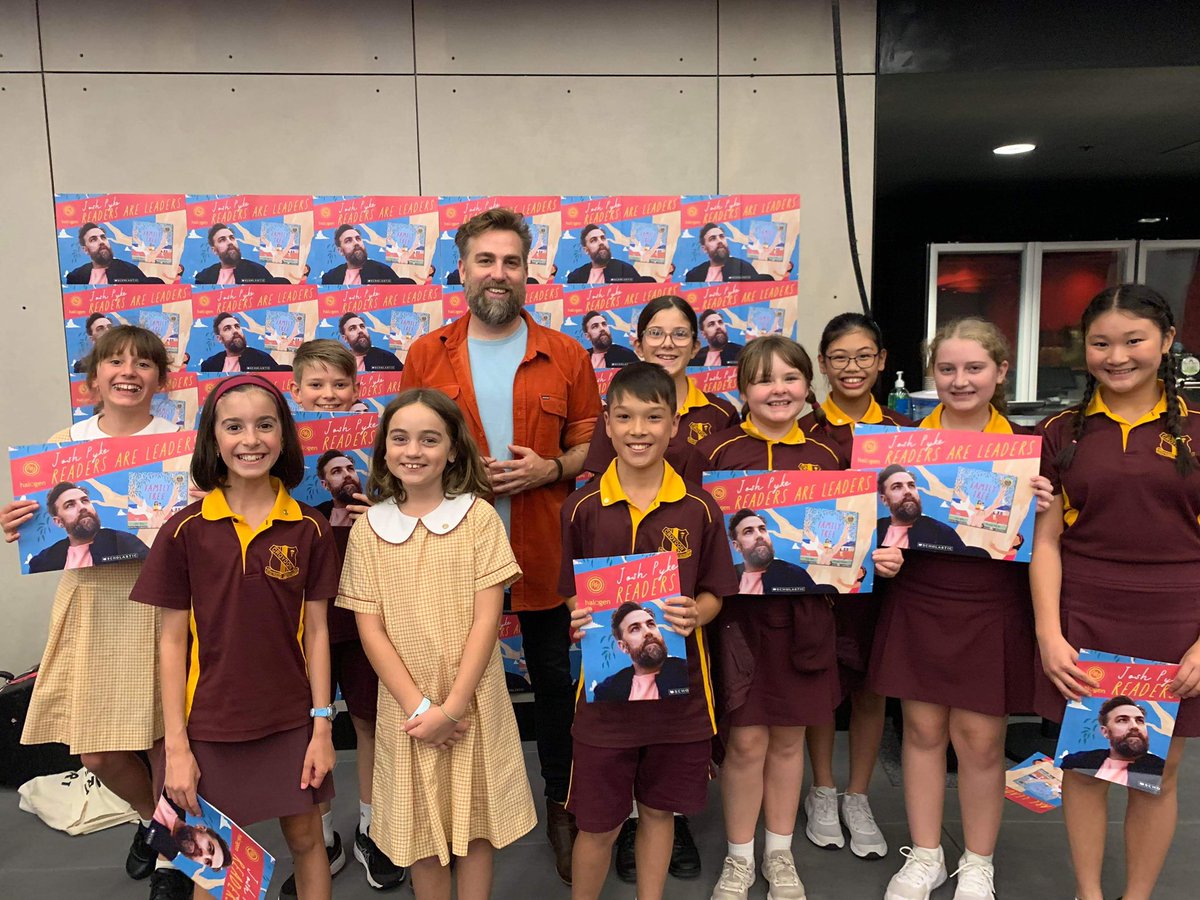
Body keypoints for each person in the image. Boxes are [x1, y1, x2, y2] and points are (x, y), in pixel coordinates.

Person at [400, 207, 601, 884]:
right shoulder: (428, 354)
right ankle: (451, 813)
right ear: (461, 270)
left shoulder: (566, 354)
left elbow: (589, 447)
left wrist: (550, 469)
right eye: (485, 260)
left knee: (551, 685)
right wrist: (456, 470)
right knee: (455, 680)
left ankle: (562, 805)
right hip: (452, 556)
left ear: (527, 271)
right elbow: (409, 448)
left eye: (511, 261)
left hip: (544, 548)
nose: (498, 273)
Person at [131, 373, 339, 900]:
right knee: (214, 867)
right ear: (213, 440)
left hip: (292, 721)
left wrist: (321, 726)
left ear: (284, 436)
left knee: (308, 841)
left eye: (265, 425)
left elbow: (317, 633)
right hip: (208, 727)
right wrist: (176, 746)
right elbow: (172, 645)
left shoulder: (309, 528)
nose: (251, 440)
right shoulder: (184, 530)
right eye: (234, 427)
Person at [3, 325, 191, 899]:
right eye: (114, 361)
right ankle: (148, 820)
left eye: (142, 362)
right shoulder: (65, 445)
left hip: (166, 601)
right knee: (98, 748)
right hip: (93, 604)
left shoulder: (182, 442)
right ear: (93, 379)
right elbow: (43, 534)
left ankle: (170, 860)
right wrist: (18, 525)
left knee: (166, 738)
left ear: (160, 378)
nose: (128, 371)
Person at [869, 317, 1052, 900]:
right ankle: (924, 854)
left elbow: (1048, 544)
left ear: (1001, 372)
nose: (960, 380)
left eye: (974, 368)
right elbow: (874, 528)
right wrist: (882, 555)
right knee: (921, 731)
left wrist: (1043, 505)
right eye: (947, 368)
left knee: (980, 740)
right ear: (932, 374)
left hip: (992, 602)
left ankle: (978, 861)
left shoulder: (1032, 450)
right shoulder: (899, 447)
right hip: (920, 596)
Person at [1032, 284, 1200, 900]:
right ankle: (1089, 893)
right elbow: (1045, 541)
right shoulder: (1062, 431)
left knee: (1161, 770)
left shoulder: (1198, 428)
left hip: (1180, 619)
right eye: (1101, 343)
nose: (1117, 355)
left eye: (1134, 341)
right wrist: (1049, 635)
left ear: (1167, 342)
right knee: (1083, 766)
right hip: (1087, 614)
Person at [336, 389, 537, 900]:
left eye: (430, 439)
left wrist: (450, 708)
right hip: (408, 711)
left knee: (475, 827)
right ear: (383, 450)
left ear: (452, 450)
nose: (414, 451)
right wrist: (421, 708)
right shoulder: (368, 532)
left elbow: (486, 622)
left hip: (472, 702)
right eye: (400, 439)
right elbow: (371, 630)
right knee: (419, 834)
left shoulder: (479, 520)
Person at [696, 335, 872, 900]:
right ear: (744, 389)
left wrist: (874, 553)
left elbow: (850, 539)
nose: (779, 389)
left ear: (807, 386)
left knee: (791, 741)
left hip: (805, 620)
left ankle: (780, 853)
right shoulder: (717, 455)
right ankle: (740, 857)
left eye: (791, 378)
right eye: (765, 379)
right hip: (737, 622)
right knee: (746, 743)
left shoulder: (828, 457)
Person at [563, 362, 737, 900]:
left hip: (681, 702)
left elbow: (715, 591)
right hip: (603, 703)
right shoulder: (582, 508)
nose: (639, 429)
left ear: (673, 426)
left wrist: (696, 615)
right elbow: (571, 587)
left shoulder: (700, 507)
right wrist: (579, 616)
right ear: (607, 426)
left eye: (653, 417)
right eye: (626, 417)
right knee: (598, 825)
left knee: (660, 812)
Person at [284, 339, 405, 894]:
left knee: (370, 717)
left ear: (359, 390)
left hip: (367, 610)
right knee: (310, 723)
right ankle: (322, 834)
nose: (328, 395)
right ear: (295, 390)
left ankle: (373, 826)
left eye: (340, 385)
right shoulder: (276, 452)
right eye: (316, 385)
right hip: (300, 615)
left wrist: (381, 512)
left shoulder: (384, 454)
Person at [583, 295, 739, 487]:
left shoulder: (721, 415)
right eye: (656, 333)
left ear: (695, 347)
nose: (667, 343)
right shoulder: (618, 411)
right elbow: (601, 492)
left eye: (680, 334)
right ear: (638, 346)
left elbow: (728, 486)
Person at [26, 481, 149, 573]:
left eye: (84, 501)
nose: (82, 507)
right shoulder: (44, 561)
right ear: (58, 522)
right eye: (70, 505)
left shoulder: (124, 542)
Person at [1059, 697, 1166, 793]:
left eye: (1139, 720)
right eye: (1122, 720)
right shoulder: (1077, 763)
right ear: (1105, 732)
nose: (1134, 726)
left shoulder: (1161, 769)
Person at [592, 602, 690, 702]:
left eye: (650, 624)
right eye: (635, 629)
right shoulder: (607, 691)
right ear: (623, 646)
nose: (648, 632)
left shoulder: (688, 672)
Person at [875, 464, 976, 554]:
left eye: (911, 485)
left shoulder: (941, 533)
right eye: (897, 487)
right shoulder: (873, 530)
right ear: (884, 500)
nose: (908, 491)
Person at [726, 508, 820, 594]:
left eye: (762, 529)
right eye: (748, 531)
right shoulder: (727, 579)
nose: (759, 535)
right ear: (737, 546)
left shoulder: (794, 575)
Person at [146, 794, 231, 871]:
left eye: (208, 862)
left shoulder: (167, 849)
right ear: (201, 828)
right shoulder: (180, 800)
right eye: (209, 848)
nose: (203, 855)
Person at [66, 222, 163, 284]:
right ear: (85, 250)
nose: (101, 242)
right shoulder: (76, 277)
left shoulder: (128, 270)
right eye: (93, 239)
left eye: (103, 237)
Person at [322, 224, 413, 285]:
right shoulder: (330, 277)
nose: (356, 243)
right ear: (340, 251)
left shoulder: (382, 271)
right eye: (348, 240)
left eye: (358, 239)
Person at [199, 312, 288, 372]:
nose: (235, 331)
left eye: (237, 326)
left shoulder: (261, 359)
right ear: (219, 339)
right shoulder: (210, 365)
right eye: (227, 328)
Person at [683, 224, 769, 283]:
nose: (720, 241)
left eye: (722, 236)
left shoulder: (743, 267)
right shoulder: (694, 275)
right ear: (704, 249)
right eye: (712, 238)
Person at [194, 223, 274, 285]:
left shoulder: (257, 271)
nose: (230, 242)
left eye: (232, 238)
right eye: (222, 240)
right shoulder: (204, 277)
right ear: (214, 250)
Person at [567, 224, 643, 284]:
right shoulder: (576, 276)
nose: (601, 242)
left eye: (603, 238)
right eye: (593, 240)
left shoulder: (625, 270)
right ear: (586, 250)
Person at [339, 312, 404, 372]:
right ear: (345, 338)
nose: (360, 331)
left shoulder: (386, 358)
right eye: (352, 328)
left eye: (362, 326)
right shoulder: (340, 364)